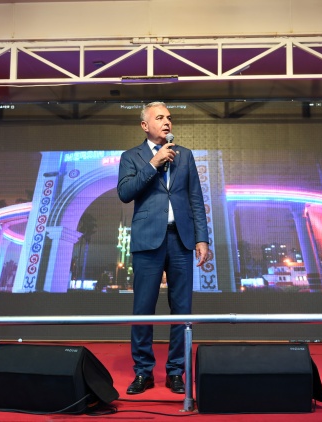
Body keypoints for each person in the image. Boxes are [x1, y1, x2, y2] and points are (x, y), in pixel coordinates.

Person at [117, 101, 209, 395]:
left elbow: (195, 199)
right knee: (143, 308)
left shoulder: (185, 155)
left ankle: (176, 371)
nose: (167, 121)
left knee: (182, 309)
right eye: (160, 117)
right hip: (147, 240)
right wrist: (153, 164)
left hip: (181, 239)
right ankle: (143, 372)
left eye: (169, 117)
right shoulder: (131, 157)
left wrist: (202, 239)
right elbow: (125, 193)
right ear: (145, 125)